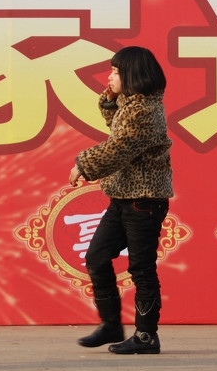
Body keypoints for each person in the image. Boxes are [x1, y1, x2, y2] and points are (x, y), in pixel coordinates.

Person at [68, 46, 173, 355]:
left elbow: (120, 147)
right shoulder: (132, 105)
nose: (109, 76)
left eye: (115, 72)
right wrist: (112, 96)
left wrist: (82, 165)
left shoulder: (145, 111)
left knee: (141, 268)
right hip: (122, 197)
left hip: (144, 199)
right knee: (97, 257)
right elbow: (116, 126)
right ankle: (112, 324)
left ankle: (145, 336)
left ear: (133, 76)